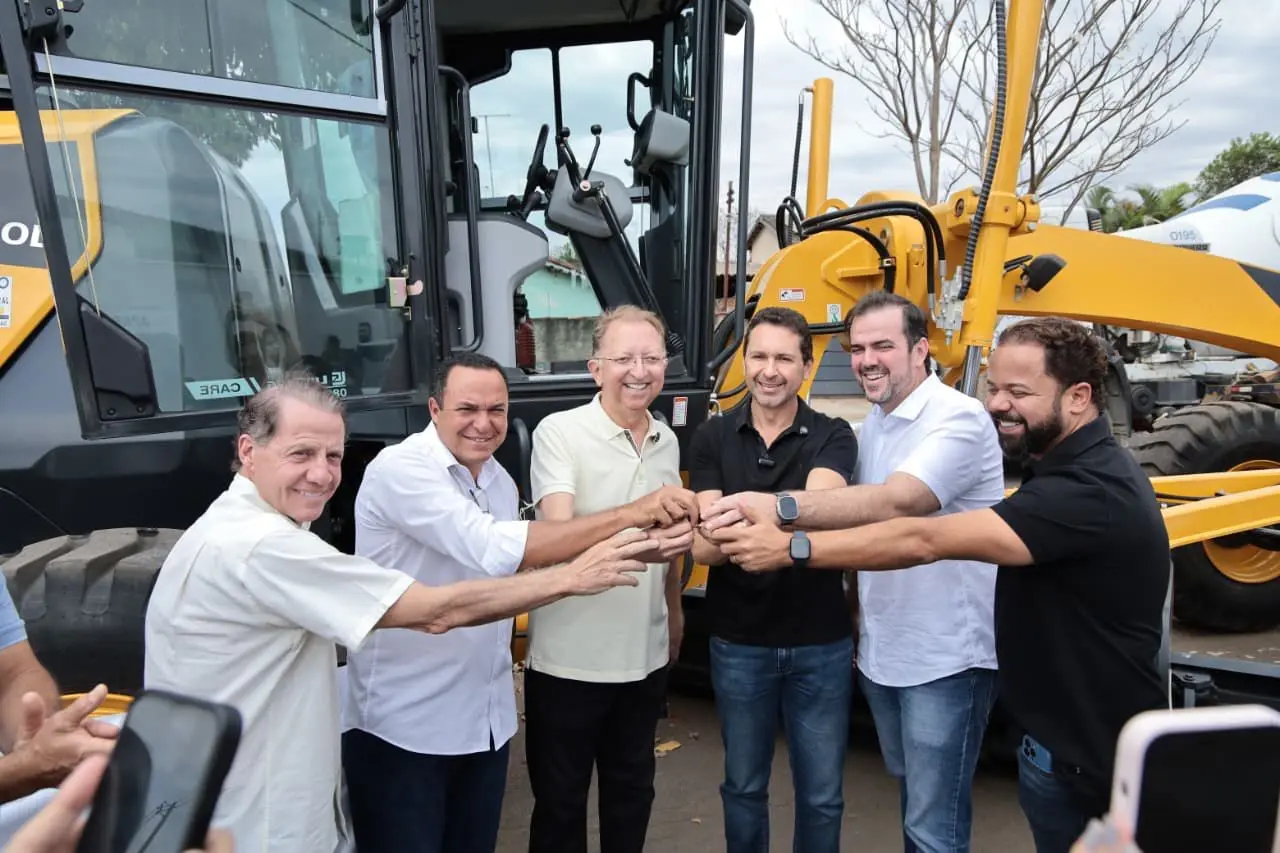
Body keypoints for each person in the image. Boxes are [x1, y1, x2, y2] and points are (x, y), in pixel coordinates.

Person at [143, 375, 685, 853]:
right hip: (320, 782)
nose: (322, 474)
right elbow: (438, 606)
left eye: (333, 457)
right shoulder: (269, 541)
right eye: (301, 454)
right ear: (248, 450)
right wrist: (573, 575)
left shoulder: (495, 482)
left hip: (477, 726)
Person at [705, 316, 1171, 853]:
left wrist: (789, 538)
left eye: (1019, 392)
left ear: (1079, 397)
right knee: (921, 814)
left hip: (1069, 738)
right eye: (993, 387)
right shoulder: (1046, 461)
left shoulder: (1086, 487)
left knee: (932, 832)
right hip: (1032, 724)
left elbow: (918, 531)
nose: (996, 404)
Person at [340, 353, 694, 853]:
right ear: (434, 408)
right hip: (406, 728)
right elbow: (490, 547)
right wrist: (628, 518)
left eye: (497, 410)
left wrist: (649, 548)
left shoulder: (499, 483)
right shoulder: (401, 470)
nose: (483, 424)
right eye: (467, 409)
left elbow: (510, 572)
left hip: (483, 724)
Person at [702, 292, 1006, 852]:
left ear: (921, 349)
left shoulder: (957, 418)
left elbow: (897, 503)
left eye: (883, 346)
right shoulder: (874, 428)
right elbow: (846, 529)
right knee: (913, 802)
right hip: (883, 652)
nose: (867, 359)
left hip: (946, 656)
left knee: (931, 826)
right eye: (859, 348)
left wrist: (774, 512)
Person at [687, 306, 858, 853]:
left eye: (784, 358)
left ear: (806, 367)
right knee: (742, 786)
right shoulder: (713, 435)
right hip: (739, 642)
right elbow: (705, 547)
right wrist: (790, 518)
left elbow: (825, 507)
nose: (769, 370)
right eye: (758, 356)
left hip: (821, 643)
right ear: (744, 361)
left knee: (823, 795)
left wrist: (744, 515)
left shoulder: (834, 435)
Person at [523, 306, 689, 853]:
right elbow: (557, 533)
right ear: (596, 368)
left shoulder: (667, 441)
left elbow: (670, 550)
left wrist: (674, 612)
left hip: (641, 660)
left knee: (631, 797)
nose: (638, 370)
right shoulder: (559, 433)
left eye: (651, 357)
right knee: (561, 807)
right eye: (623, 358)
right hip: (570, 661)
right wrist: (640, 514)